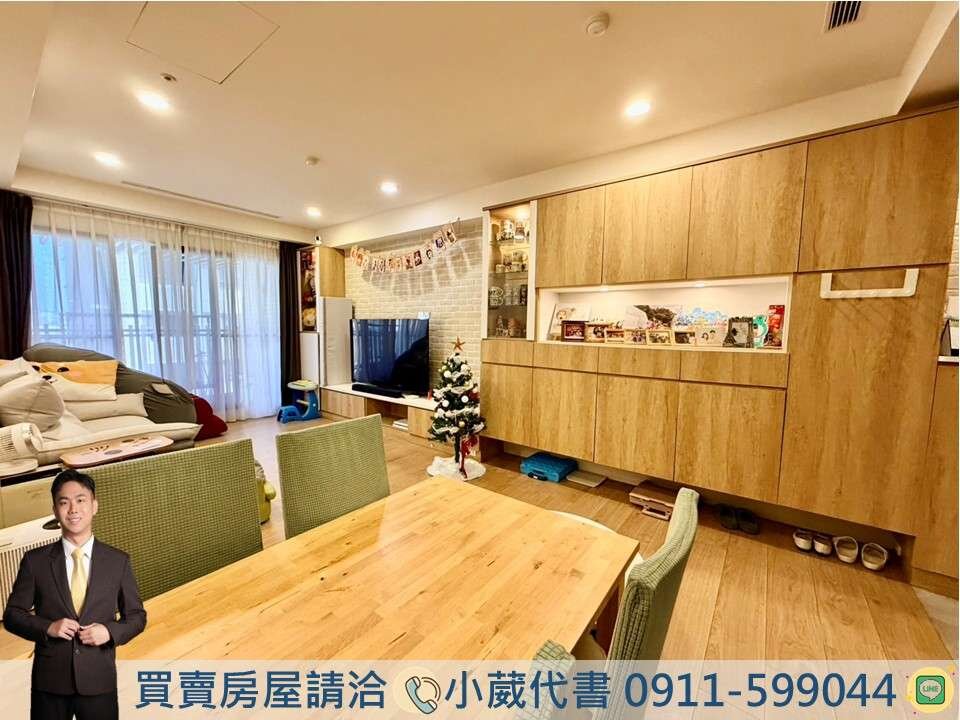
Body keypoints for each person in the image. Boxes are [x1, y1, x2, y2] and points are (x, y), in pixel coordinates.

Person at [4, 469, 147, 719]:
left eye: (80, 500)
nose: (73, 509)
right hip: (50, 683)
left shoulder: (118, 561)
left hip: (98, 680)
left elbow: (137, 616)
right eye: (64, 502)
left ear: (94, 506)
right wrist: (48, 627)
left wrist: (109, 632)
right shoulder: (35, 562)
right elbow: (13, 615)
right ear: (55, 510)